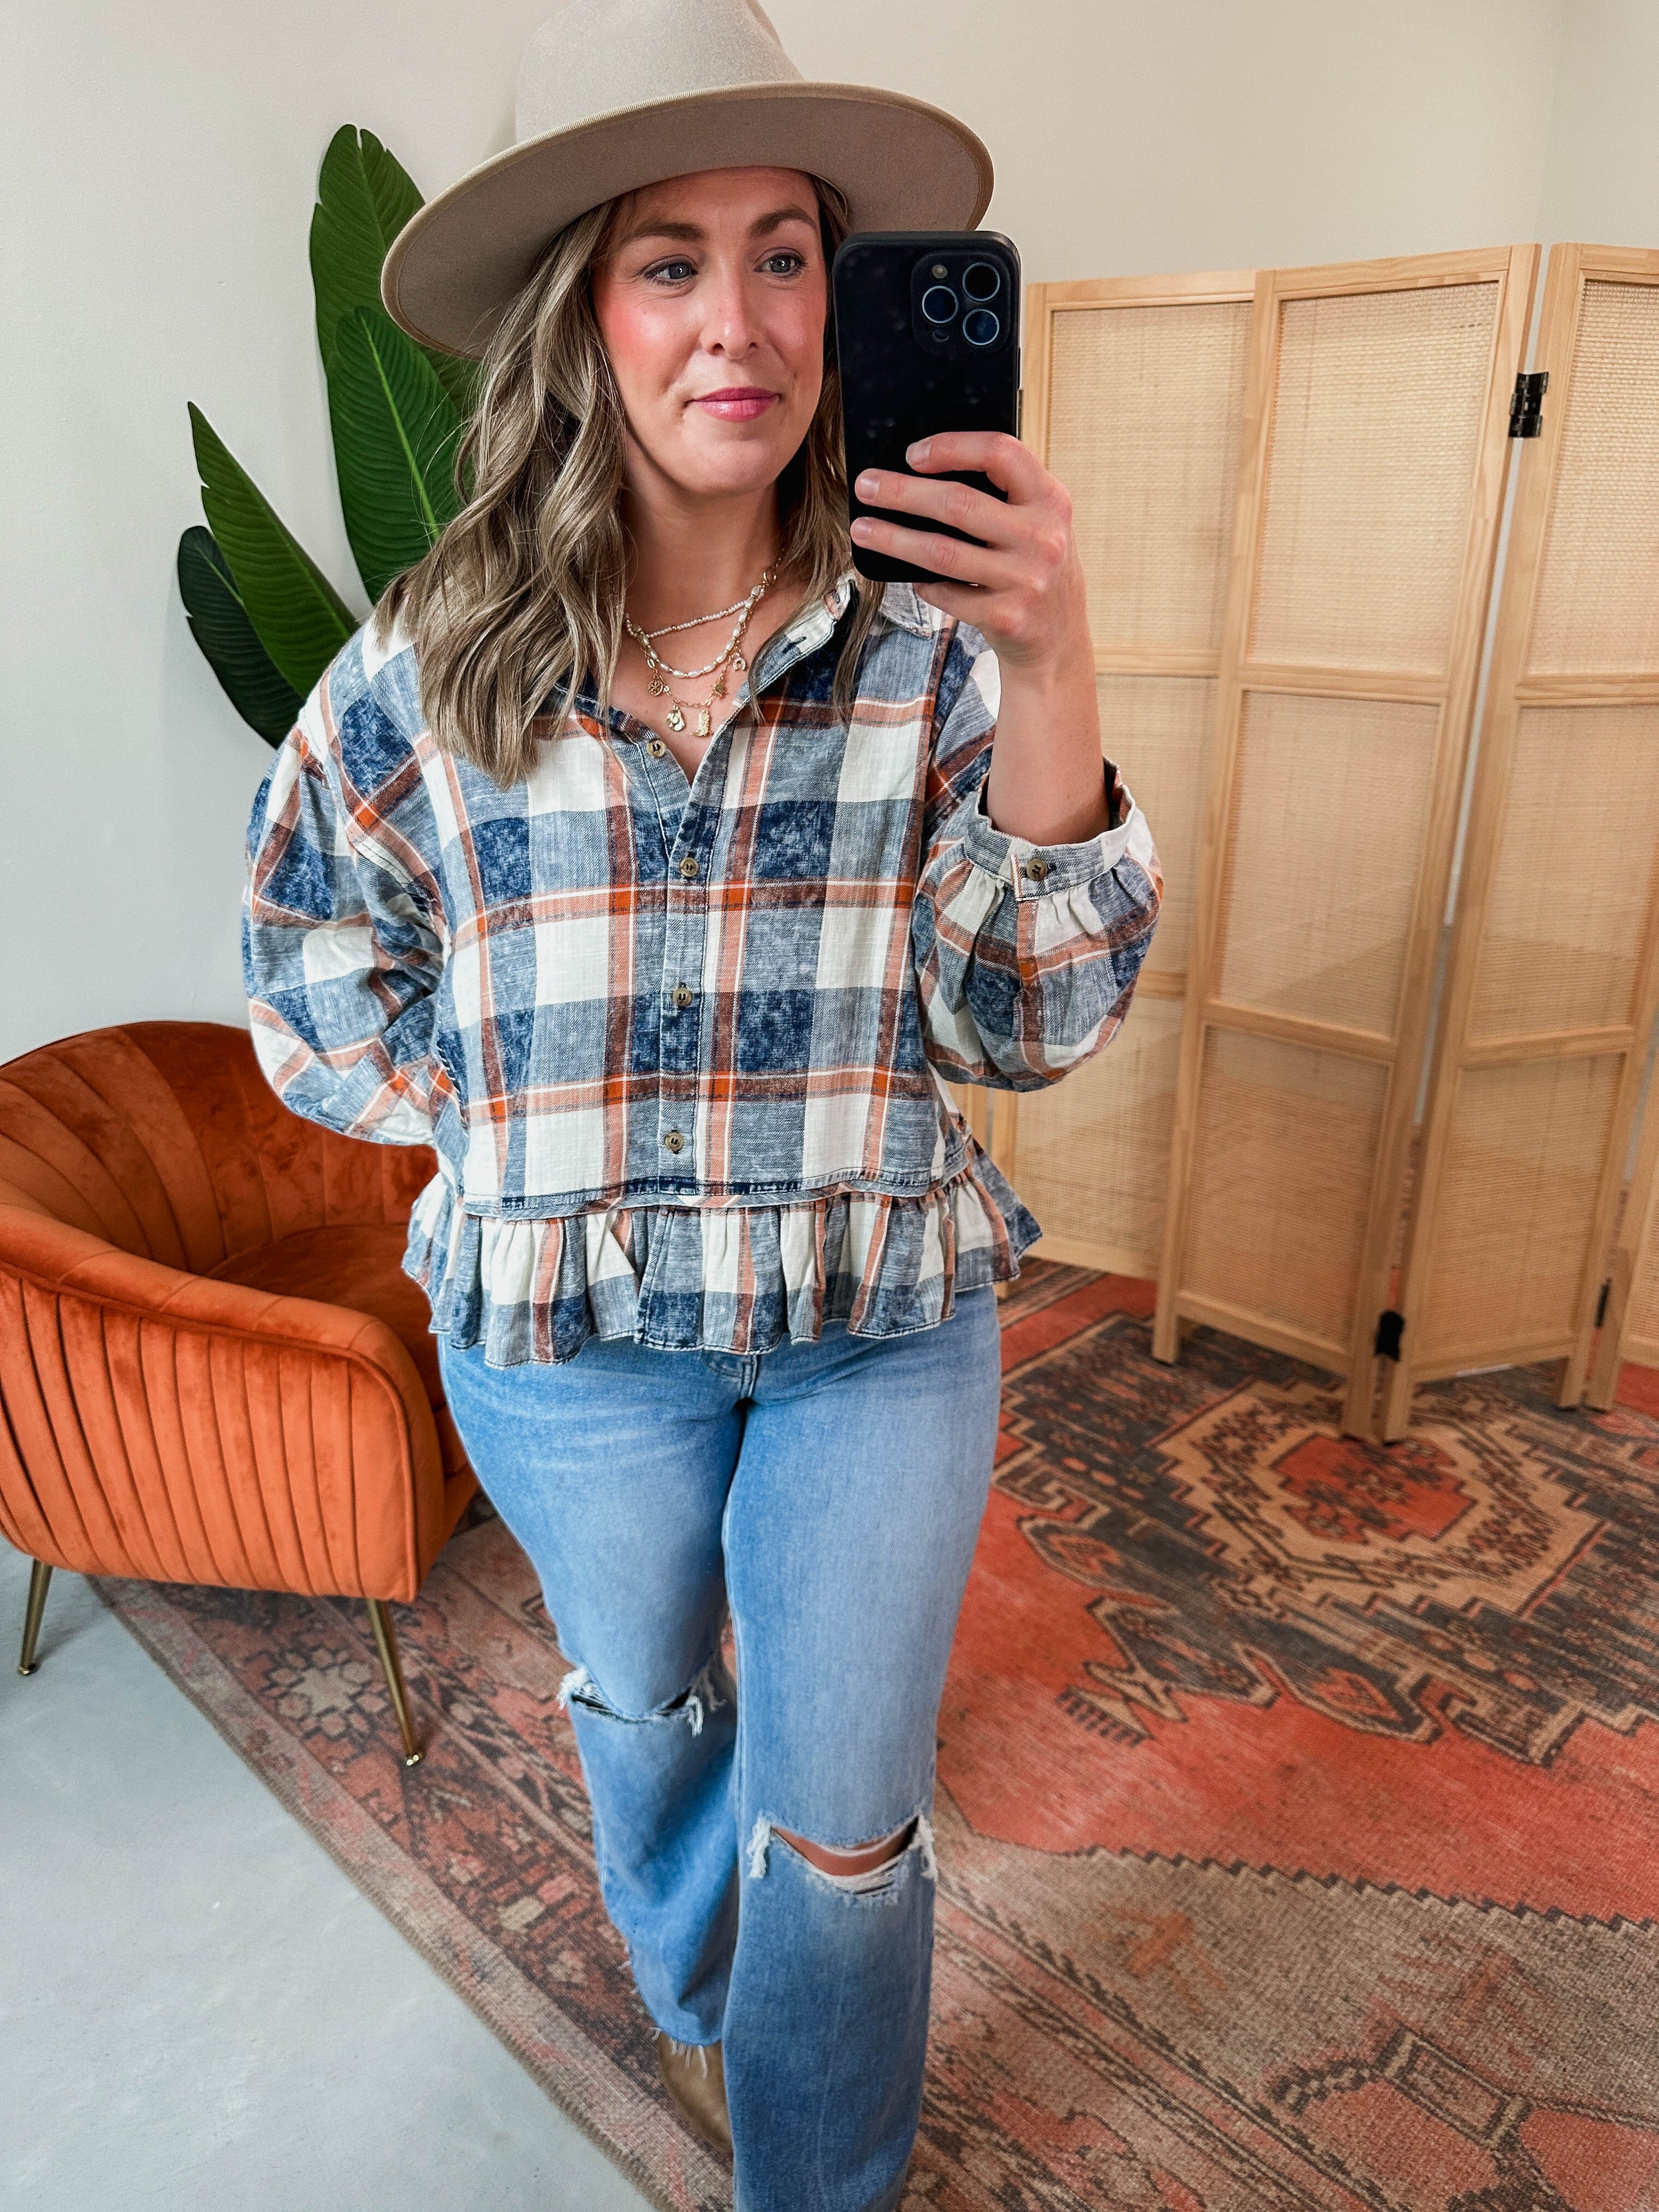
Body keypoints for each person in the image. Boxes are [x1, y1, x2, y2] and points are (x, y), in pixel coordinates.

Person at [243, 3, 1160, 2206]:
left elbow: (1030, 1022)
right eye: (671, 261)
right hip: (568, 1351)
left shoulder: (939, 644)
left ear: (840, 300)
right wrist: (511, 1126)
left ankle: (810, 2172)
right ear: (589, 311)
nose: (736, 321)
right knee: (647, 1709)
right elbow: (304, 964)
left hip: (876, 1329)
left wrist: (1054, 666)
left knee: (843, 1837)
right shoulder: (429, 662)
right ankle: (688, 1998)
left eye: (785, 255)